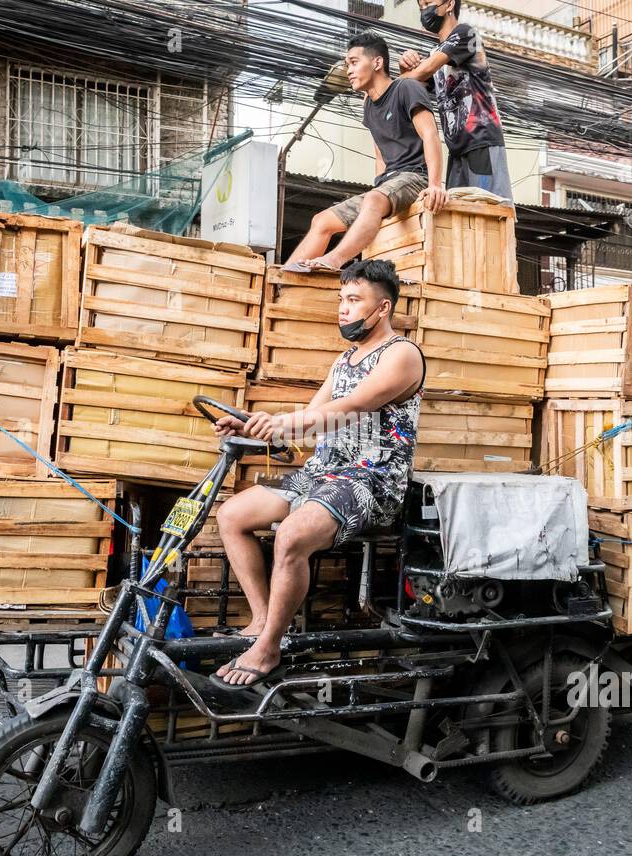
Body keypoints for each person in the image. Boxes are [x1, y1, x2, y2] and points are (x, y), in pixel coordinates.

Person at [209, 260, 425, 687]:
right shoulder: (344, 360)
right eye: (341, 300)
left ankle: (269, 648)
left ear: (382, 308)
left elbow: (348, 409)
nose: (343, 309)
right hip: (323, 472)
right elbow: (312, 415)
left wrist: (285, 424)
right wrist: (255, 425)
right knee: (231, 516)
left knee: (291, 534)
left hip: (371, 480)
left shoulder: (402, 354)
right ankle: (262, 621)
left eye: (353, 300)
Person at [286, 32, 447, 271]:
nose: (348, 70)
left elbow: (430, 135)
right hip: (388, 186)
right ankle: (283, 277)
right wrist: (378, 192)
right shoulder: (369, 105)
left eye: (353, 62)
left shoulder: (407, 88)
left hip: (416, 177)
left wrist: (434, 184)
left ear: (377, 63)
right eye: (346, 64)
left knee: (373, 199)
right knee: (321, 221)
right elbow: (380, 155)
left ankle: (333, 260)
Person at [397, 0, 514, 204]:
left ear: (450, 3)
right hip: (456, 151)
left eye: (429, 2)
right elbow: (415, 85)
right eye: (421, 5)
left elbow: (424, 71)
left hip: (482, 141)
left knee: (492, 211)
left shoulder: (465, 33)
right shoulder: (435, 55)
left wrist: (391, 84)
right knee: (458, 218)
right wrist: (404, 68)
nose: (425, 10)